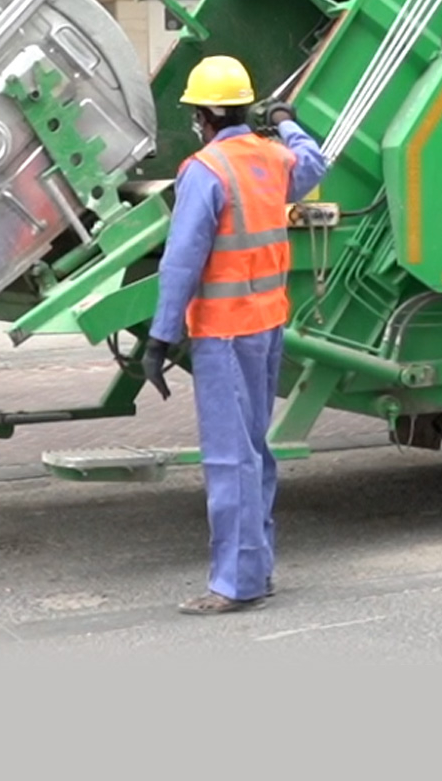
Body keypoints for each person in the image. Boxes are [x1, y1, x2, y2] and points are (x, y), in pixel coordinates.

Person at [141, 54, 329, 615]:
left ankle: (235, 583)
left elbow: (181, 261)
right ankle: (256, 568)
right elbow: (314, 162)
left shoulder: (207, 170)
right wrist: (288, 119)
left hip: (223, 333)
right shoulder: (274, 156)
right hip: (267, 325)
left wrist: (160, 336)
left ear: (205, 114)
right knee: (255, 450)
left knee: (230, 456)